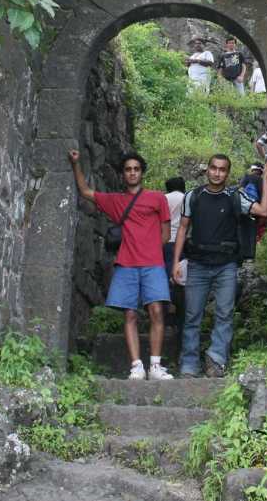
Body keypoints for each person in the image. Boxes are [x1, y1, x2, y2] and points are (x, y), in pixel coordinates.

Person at [69, 150, 174, 380]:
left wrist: (149, 249)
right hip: (127, 263)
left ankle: (155, 366)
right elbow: (86, 191)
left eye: (136, 168)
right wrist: (76, 163)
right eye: (128, 169)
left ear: (142, 173)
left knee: (156, 311)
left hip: (153, 263)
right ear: (123, 174)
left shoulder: (158, 198)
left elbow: (165, 234)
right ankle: (136, 365)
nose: (132, 172)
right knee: (130, 315)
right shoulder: (117, 201)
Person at [171, 154, 267, 377]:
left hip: (226, 265)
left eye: (222, 169)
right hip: (197, 264)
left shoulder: (236, 197)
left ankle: (216, 361)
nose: (217, 173)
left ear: (227, 173)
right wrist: (175, 262)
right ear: (208, 170)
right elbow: (183, 229)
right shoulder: (193, 197)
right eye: (214, 168)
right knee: (192, 315)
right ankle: (189, 364)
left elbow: (263, 211)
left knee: (224, 314)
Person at [162, 176, 186, 276]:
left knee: (167, 265)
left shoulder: (164, 198)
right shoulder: (186, 198)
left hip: (166, 239)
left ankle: (169, 288)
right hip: (183, 239)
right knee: (182, 267)